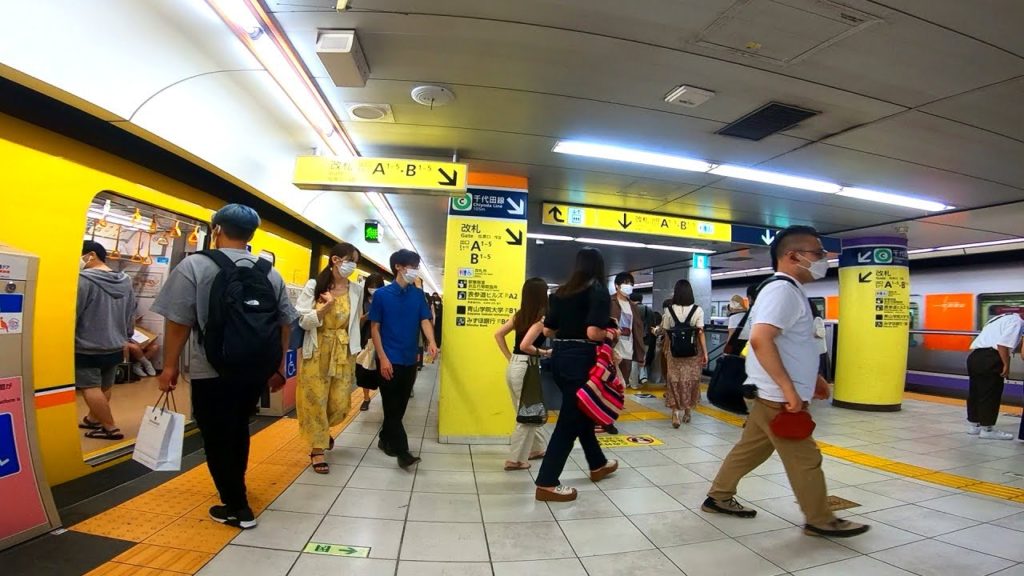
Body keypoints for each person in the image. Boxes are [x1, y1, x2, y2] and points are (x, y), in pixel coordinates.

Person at [702, 225, 869, 538]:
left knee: (751, 450)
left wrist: (814, 378)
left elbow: (792, 344)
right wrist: (791, 389)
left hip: (770, 392)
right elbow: (762, 340)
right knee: (806, 459)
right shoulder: (782, 290)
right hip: (776, 396)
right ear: (793, 256)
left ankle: (719, 496)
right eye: (817, 253)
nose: (824, 259)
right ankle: (821, 519)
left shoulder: (789, 290)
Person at [153, 204, 297, 529]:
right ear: (251, 235)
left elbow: (178, 322)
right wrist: (278, 366)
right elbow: (284, 323)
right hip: (254, 369)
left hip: (211, 369)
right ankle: (237, 490)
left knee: (216, 436)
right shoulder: (269, 272)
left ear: (216, 229)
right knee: (237, 428)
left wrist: (169, 367)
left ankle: (237, 506)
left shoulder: (195, 266)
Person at [535, 247, 618, 502]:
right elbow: (594, 333)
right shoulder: (598, 291)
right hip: (582, 360)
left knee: (582, 411)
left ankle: (597, 464)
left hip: (560, 357)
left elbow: (548, 331)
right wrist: (612, 334)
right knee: (570, 420)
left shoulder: (560, 292)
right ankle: (547, 482)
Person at [295, 242, 364, 473]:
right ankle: (317, 449)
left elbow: (354, 322)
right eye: (350, 260)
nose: (353, 266)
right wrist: (325, 308)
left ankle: (323, 432)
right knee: (315, 399)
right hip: (316, 350)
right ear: (336, 260)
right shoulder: (316, 286)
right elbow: (303, 320)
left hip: (343, 351)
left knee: (339, 401)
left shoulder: (356, 290)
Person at [369, 249, 438, 468]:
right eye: (412, 266)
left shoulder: (417, 295)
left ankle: (384, 440)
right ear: (398, 266)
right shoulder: (381, 295)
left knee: (399, 406)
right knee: (391, 404)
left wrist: (432, 342)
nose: (415, 271)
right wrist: (382, 357)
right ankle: (402, 452)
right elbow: (375, 328)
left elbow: (425, 320)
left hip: (410, 358)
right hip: (388, 357)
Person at [76, 240, 135, 441]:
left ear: (91, 255)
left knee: (89, 387)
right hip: (115, 344)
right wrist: (127, 335)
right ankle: (93, 419)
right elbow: (130, 311)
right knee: (104, 387)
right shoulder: (125, 280)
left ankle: (110, 427)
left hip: (87, 345)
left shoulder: (83, 280)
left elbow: (75, 312)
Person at [494, 277, 550, 471]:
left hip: (515, 367)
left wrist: (510, 357)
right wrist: (544, 352)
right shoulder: (541, 319)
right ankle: (515, 459)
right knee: (528, 415)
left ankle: (538, 448)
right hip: (527, 367)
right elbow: (527, 345)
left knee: (526, 410)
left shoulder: (520, 315)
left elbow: (498, 334)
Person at [965, 311, 1023, 440]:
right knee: (990, 393)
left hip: (975, 356)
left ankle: (974, 426)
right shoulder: (1017, 322)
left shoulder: (998, 318)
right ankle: (988, 429)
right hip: (991, 358)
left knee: (975, 392)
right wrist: (1006, 365)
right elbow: (1002, 345)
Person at [658, 279, 708, 427]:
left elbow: (666, 331)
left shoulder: (669, 311)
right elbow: (700, 333)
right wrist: (705, 353)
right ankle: (687, 411)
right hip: (693, 353)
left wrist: (666, 350)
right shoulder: (698, 310)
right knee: (691, 381)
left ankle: (675, 414)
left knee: (674, 381)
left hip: (674, 353)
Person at [610, 272, 647, 389]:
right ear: (617, 285)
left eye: (631, 284)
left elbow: (638, 331)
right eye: (626, 283)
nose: (629, 286)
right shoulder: (609, 302)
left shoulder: (633, 306)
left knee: (622, 385)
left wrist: (640, 356)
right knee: (609, 384)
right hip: (612, 350)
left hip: (627, 351)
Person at [356, 273, 385, 411]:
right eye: (371, 286)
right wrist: (367, 317)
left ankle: (385, 397)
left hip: (381, 339)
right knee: (364, 369)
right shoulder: (362, 300)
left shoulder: (385, 299)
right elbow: (356, 323)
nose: (373, 289)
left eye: (376, 287)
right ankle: (366, 398)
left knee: (381, 369)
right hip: (365, 339)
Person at [631, 292, 657, 387]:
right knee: (643, 359)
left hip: (633, 339)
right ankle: (642, 377)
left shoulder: (631, 309)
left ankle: (633, 382)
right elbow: (652, 327)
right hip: (646, 340)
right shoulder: (649, 310)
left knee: (634, 361)